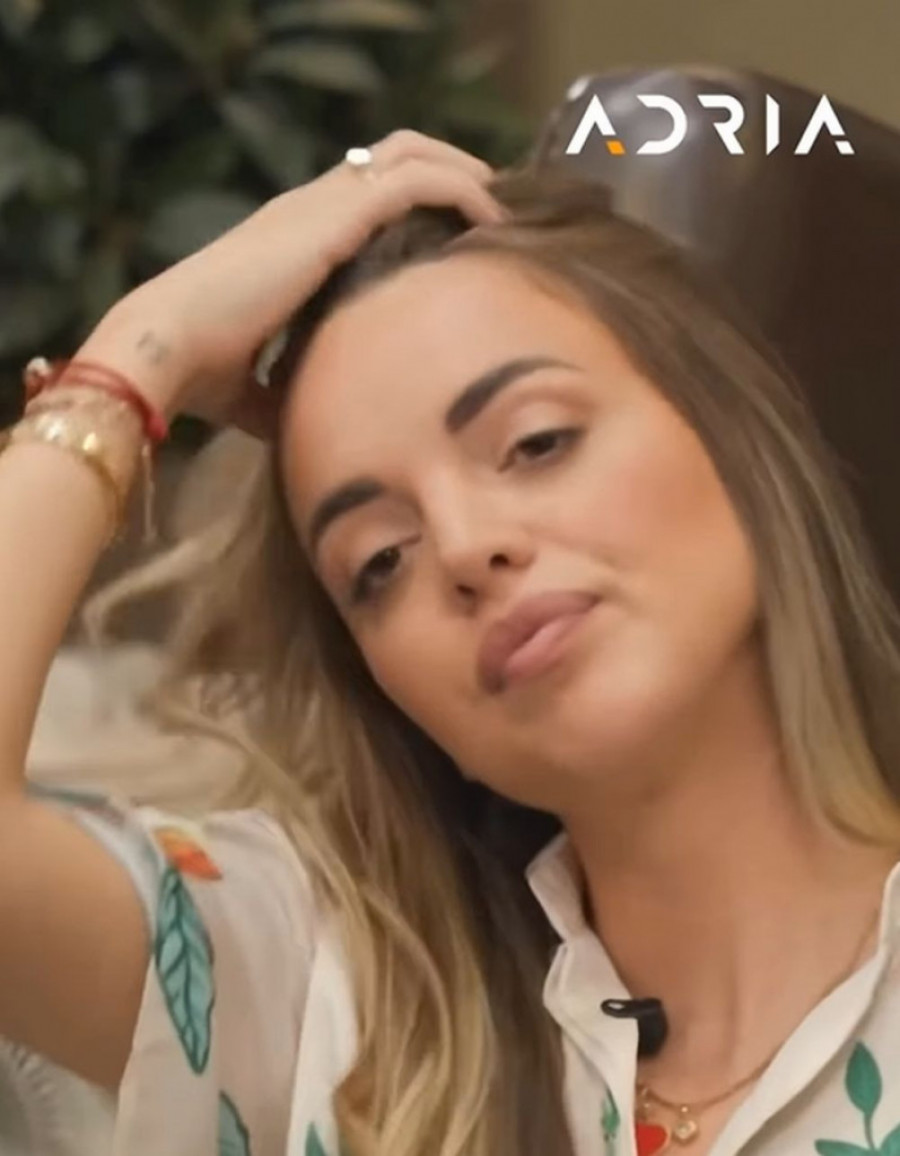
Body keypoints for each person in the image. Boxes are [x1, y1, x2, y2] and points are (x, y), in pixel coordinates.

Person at [1, 128, 899, 1156]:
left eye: (536, 441)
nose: (467, 548)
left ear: (735, 435)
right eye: (380, 561)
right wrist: (132, 359)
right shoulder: (329, 1000)